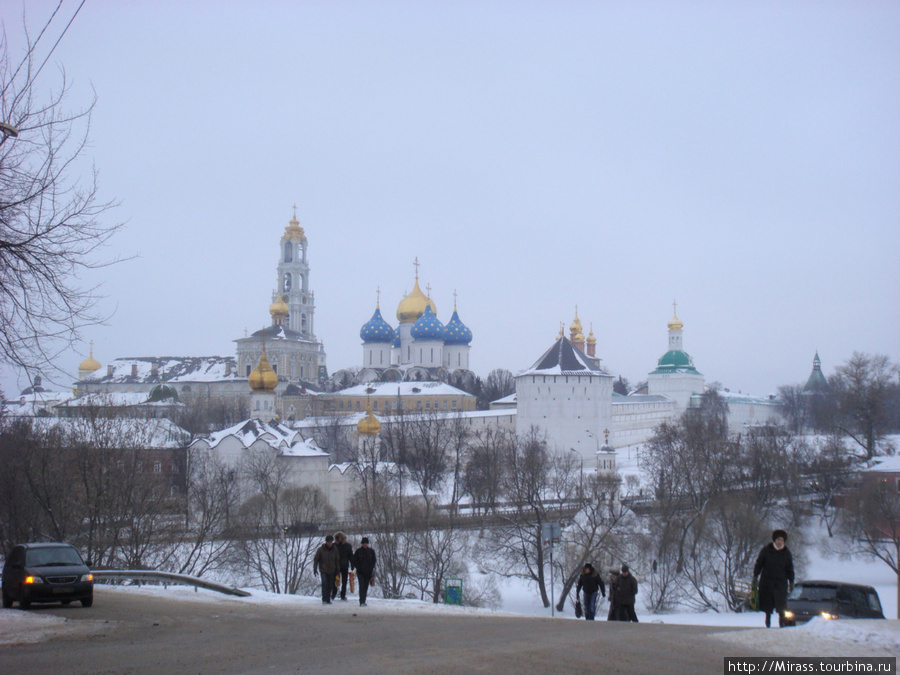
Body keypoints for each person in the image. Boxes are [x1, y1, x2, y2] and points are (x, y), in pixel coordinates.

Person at [753, 529, 795, 628]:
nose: (780, 542)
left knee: (781, 606)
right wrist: (755, 576)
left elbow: (790, 568)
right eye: (778, 540)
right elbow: (759, 564)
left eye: (782, 540)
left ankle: (782, 624)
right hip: (767, 582)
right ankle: (768, 623)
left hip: (781, 583)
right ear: (774, 540)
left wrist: (791, 581)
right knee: (768, 604)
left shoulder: (786, 553)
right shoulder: (766, 550)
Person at [313, 534, 341, 605]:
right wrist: (315, 568)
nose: (329, 543)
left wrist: (338, 570)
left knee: (330, 585)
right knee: (324, 584)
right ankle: (324, 599)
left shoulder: (335, 550)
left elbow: (337, 560)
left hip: (332, 570)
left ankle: (328, 599)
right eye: (328, 542)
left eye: (331, 542)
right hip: (323, 570)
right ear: (326, 542)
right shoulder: (321, 550)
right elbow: (316, 559)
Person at [352, 536, 377, 607]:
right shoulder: (358, 551)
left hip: (368, 572)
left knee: (366, 586)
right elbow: (354, 560)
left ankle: (364, 600)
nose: (365, 544)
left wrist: (371, 568)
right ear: (362, 544)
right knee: (361, 586)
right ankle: (361, 601)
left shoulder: (371, 551)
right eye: (364, 543)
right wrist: (357, 567)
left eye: (366, 543)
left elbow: (374, 561)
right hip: (360, 572)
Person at [333, 531, 354, 601]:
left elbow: (350, 555)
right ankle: (334, 592)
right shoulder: (334, 546)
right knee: (335, 581)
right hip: (336, 566)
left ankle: (343, 594)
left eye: (341, 538)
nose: (340, 539)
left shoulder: (348, 546)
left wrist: (352, 564)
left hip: (345, 566)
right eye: (338, 538)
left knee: (344, 581)